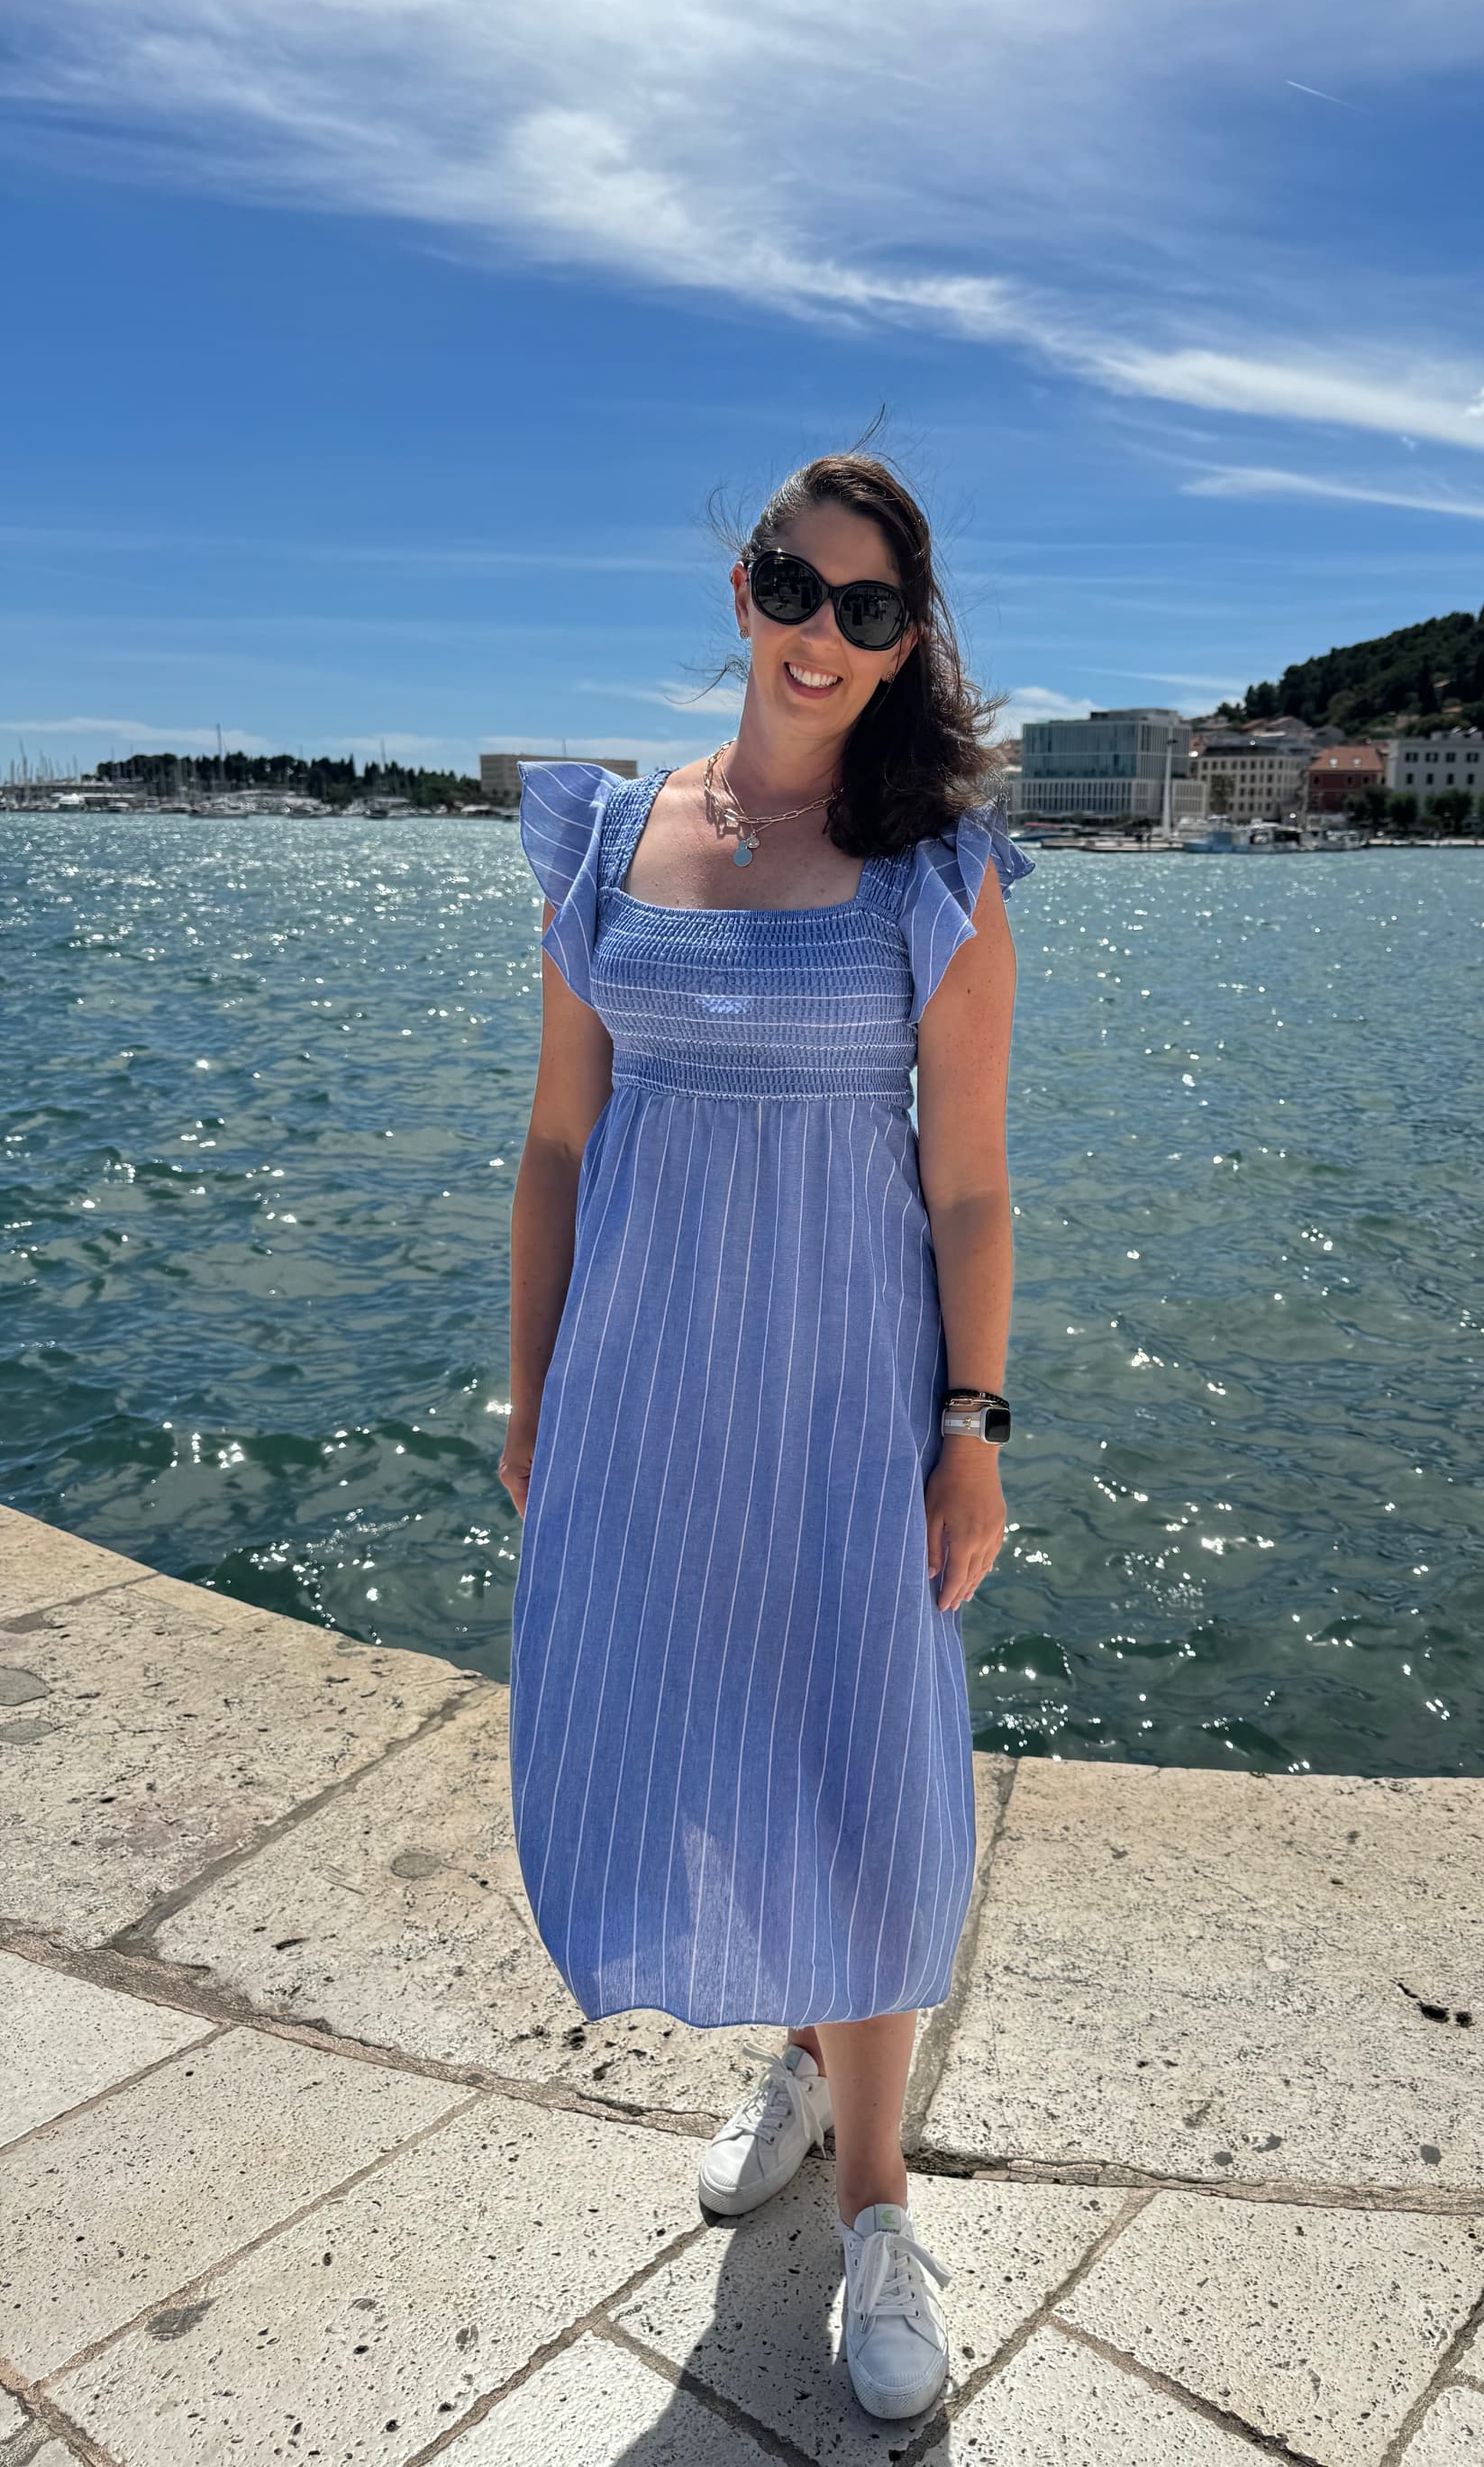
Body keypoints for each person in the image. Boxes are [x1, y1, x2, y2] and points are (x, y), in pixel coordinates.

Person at [499, 448, 1032, 2424]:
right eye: (794, 588)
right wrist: (536, 1386)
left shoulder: (935, 878)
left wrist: (969, 1426)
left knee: (863, 1757)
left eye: (871, 610)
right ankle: (812, 2064)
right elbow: (560, 1141)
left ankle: (880, 2192)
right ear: (740, 594)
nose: (824, 634)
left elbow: (969, 1188)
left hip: (845, 1399)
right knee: (700, 1729)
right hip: (644, 1397)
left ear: (908, 649)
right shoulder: (611, 841)